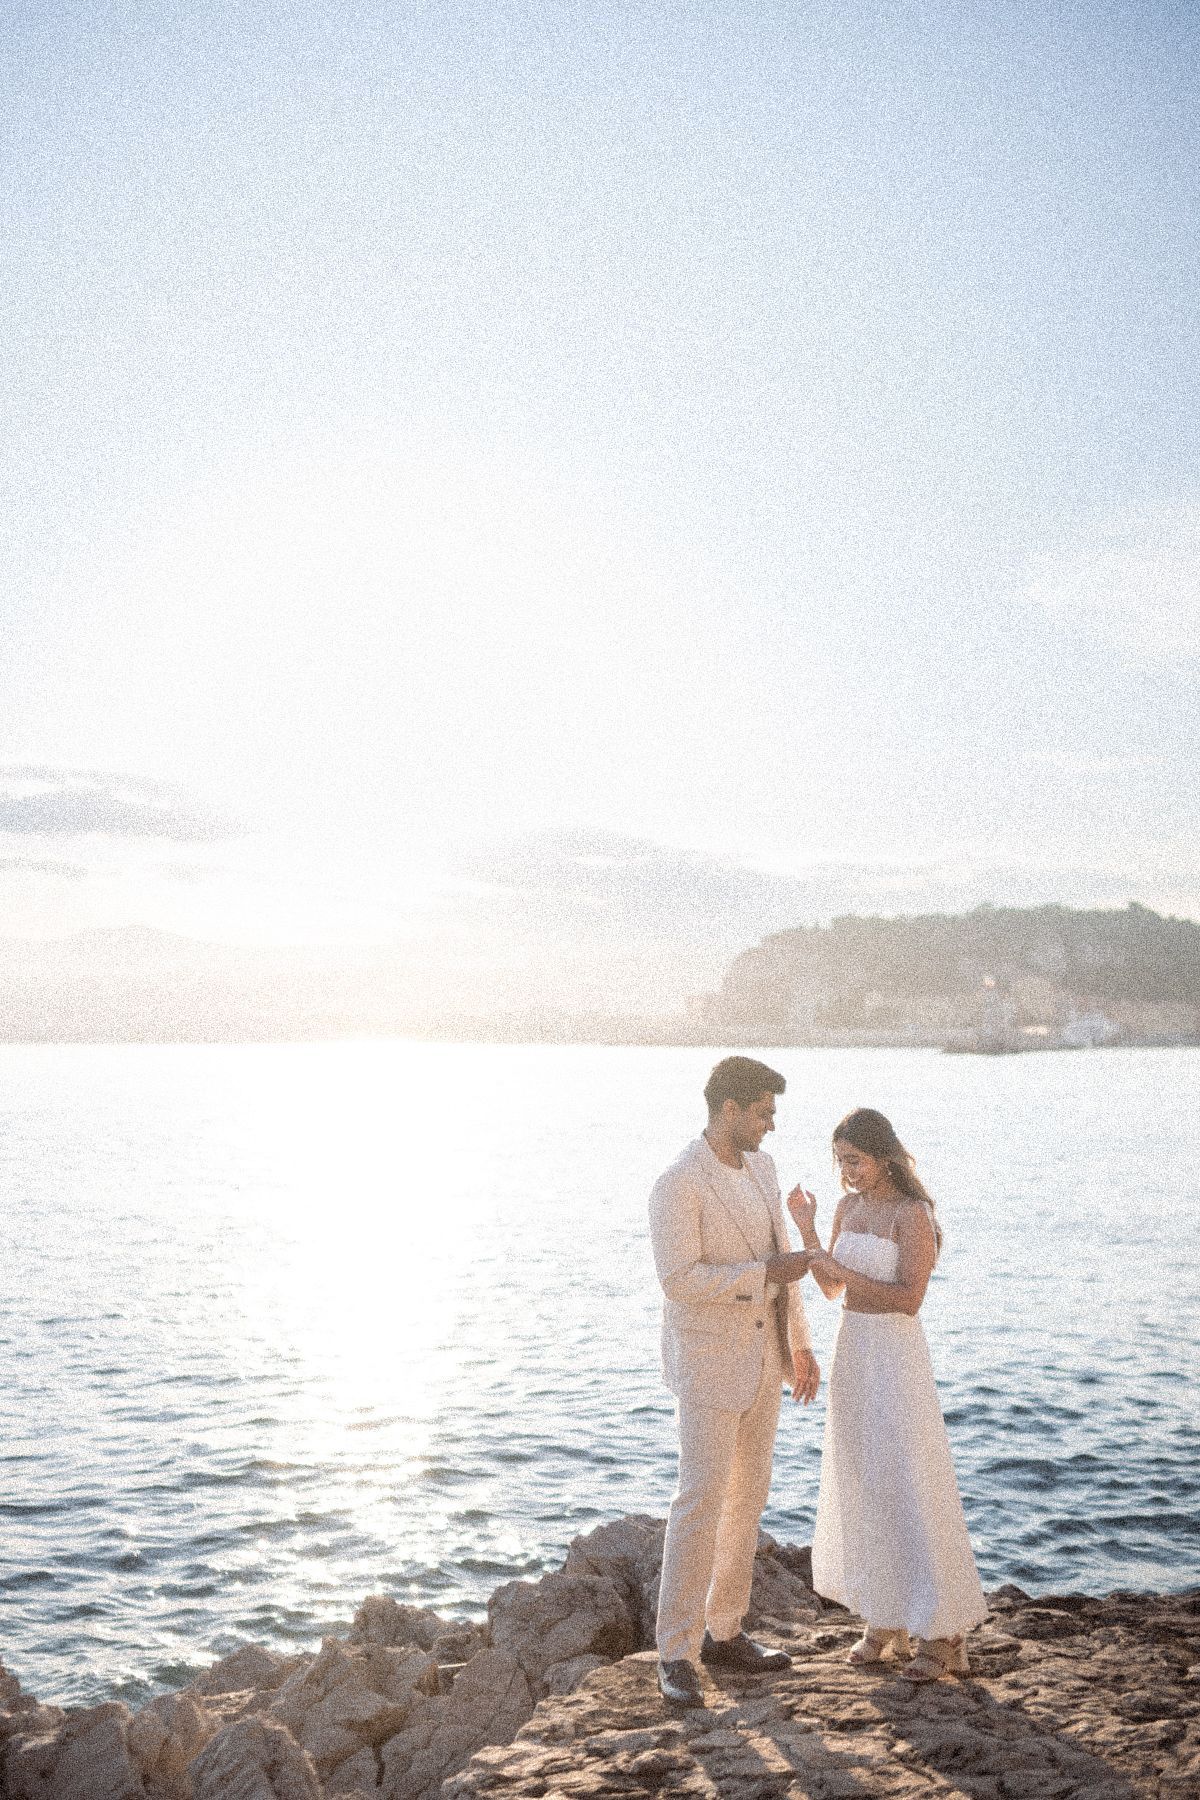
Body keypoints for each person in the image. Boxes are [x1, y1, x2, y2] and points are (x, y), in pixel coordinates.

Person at [787, 1107, 987, 1682]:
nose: (847, 1172)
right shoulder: (848, 1209)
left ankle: (942, 1634)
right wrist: (806, 1227)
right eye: (841, 1161)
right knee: (864, 1477)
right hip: (854, 1349)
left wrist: (834, 1264)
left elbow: (908, 1299)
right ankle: (884, 1618)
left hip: (896, 1355)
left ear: (884, 1154)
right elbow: (829, 1287)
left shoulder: (912, 1213)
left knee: (909, 1477)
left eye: (855, 1160)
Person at [649, 1055, 820, 1709]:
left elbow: (788, 1270)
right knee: (699, 1502)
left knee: (748, 1500)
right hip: (707, 1365)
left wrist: (799, 1348)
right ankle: (675, 1653)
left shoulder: (764, 1169)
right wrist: (762, 1272)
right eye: (763, 1113)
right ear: (730, 1110)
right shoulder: (677, 1183)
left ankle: (726, 1632)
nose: (771, 1126)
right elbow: (679, 1281)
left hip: (765, 1362)